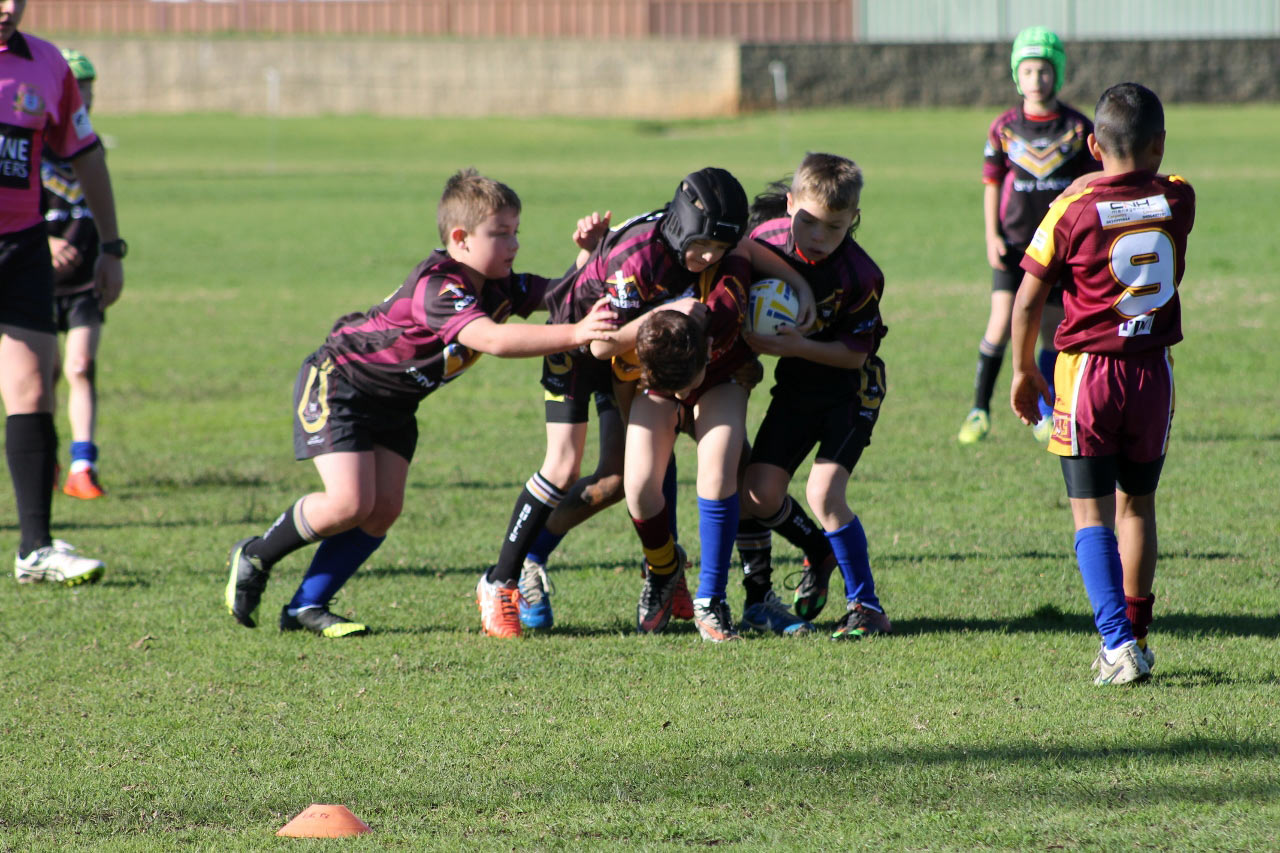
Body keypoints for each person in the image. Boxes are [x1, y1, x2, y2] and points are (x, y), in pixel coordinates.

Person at [223, 168, 616, 638]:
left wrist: (589, 252)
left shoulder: (499, 283)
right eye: (500, 234)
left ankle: (307, 605)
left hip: (395, 403)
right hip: (342, 384)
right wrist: (577, 333)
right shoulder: (440, 286)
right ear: (460, 239)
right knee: (349, 503)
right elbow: (493, 339)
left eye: (516, 232)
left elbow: (562, 295)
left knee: (383, 509)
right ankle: (255, 555)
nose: (514, 244)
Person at [481, 168, 813, 638]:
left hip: (640, 354)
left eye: (717, 248)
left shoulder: (712, 251)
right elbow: (603, 344)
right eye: (703, 246)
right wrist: (665, 314)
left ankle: (721, 588)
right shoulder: (637, 264)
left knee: (722, 461)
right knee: (601, 475)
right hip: (582, 352)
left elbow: (741, 249)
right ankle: (520, 569)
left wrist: (796, 289)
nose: (709, 257)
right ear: (682, 228)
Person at [1010, 82, 1194, 685]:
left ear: (1092, 145)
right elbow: (1152, 184)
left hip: (1089, 373)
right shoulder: (1179, 199)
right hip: (1153, 374)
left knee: (1090, 512)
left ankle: (1116, 645)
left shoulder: (1073, 208)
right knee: (1136, 505)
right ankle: (1136, 638)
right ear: (1159, 145)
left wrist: (1023, 369)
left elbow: (1027, 300)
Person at [737, 153, 892, 640]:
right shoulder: (764, 242)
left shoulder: (860, 275)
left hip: (851, 390)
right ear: (789, 205)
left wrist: (797, 346)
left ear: (853, 220)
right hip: (797, 386)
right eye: (808, 222)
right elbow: (735, 258)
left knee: (824, 494)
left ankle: (867, 608)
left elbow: (855, 355)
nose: (818, 237)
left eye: (834, 227)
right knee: (758, 494)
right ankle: (820, 549)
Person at [2, 1, 125, 585]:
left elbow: (85, 153)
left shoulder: (48, 64)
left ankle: (35, 549)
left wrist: (111, 246)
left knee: (33, 390)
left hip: (22, 248)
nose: (8, 7)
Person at [958, 26, 1099, 446]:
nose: (1037, 78)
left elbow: (1093, 185)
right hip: (1015, 246)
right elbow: (991, 183)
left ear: (1058, 73)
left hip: (1059, 247)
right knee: (1002, 323)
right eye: (1028, 71)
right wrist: (991, 236)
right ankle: (979, 410)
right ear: (1016, 75)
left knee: (1051, 330)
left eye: (1044, 70)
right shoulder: (1004, 128)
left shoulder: (1078, 128)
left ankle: (1043, 412)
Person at [42, 48, 106, 499]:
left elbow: (103, 208)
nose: (82, 96)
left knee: (80, 366)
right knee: (43, 376)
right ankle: (43, 457)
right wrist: (44, 243)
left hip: (85, 279)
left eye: (87, 88)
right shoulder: (27, 142)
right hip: (36, 280)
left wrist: (109, 254)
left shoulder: (91, 146)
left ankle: (83, 466)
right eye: (75, 87)